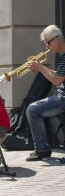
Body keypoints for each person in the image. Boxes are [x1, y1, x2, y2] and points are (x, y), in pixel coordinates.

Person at [25, 24, 65, 161]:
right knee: (34, 109)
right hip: (60, 95)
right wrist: (39, 67)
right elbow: (60, 75)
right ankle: (43, 149)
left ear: (56, 39)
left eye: (47, 43)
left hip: (63, 98)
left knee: (32, 110)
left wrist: (40, 67)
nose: (47, 47)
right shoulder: (63, 56)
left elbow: (57, 81)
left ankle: (42, 150)